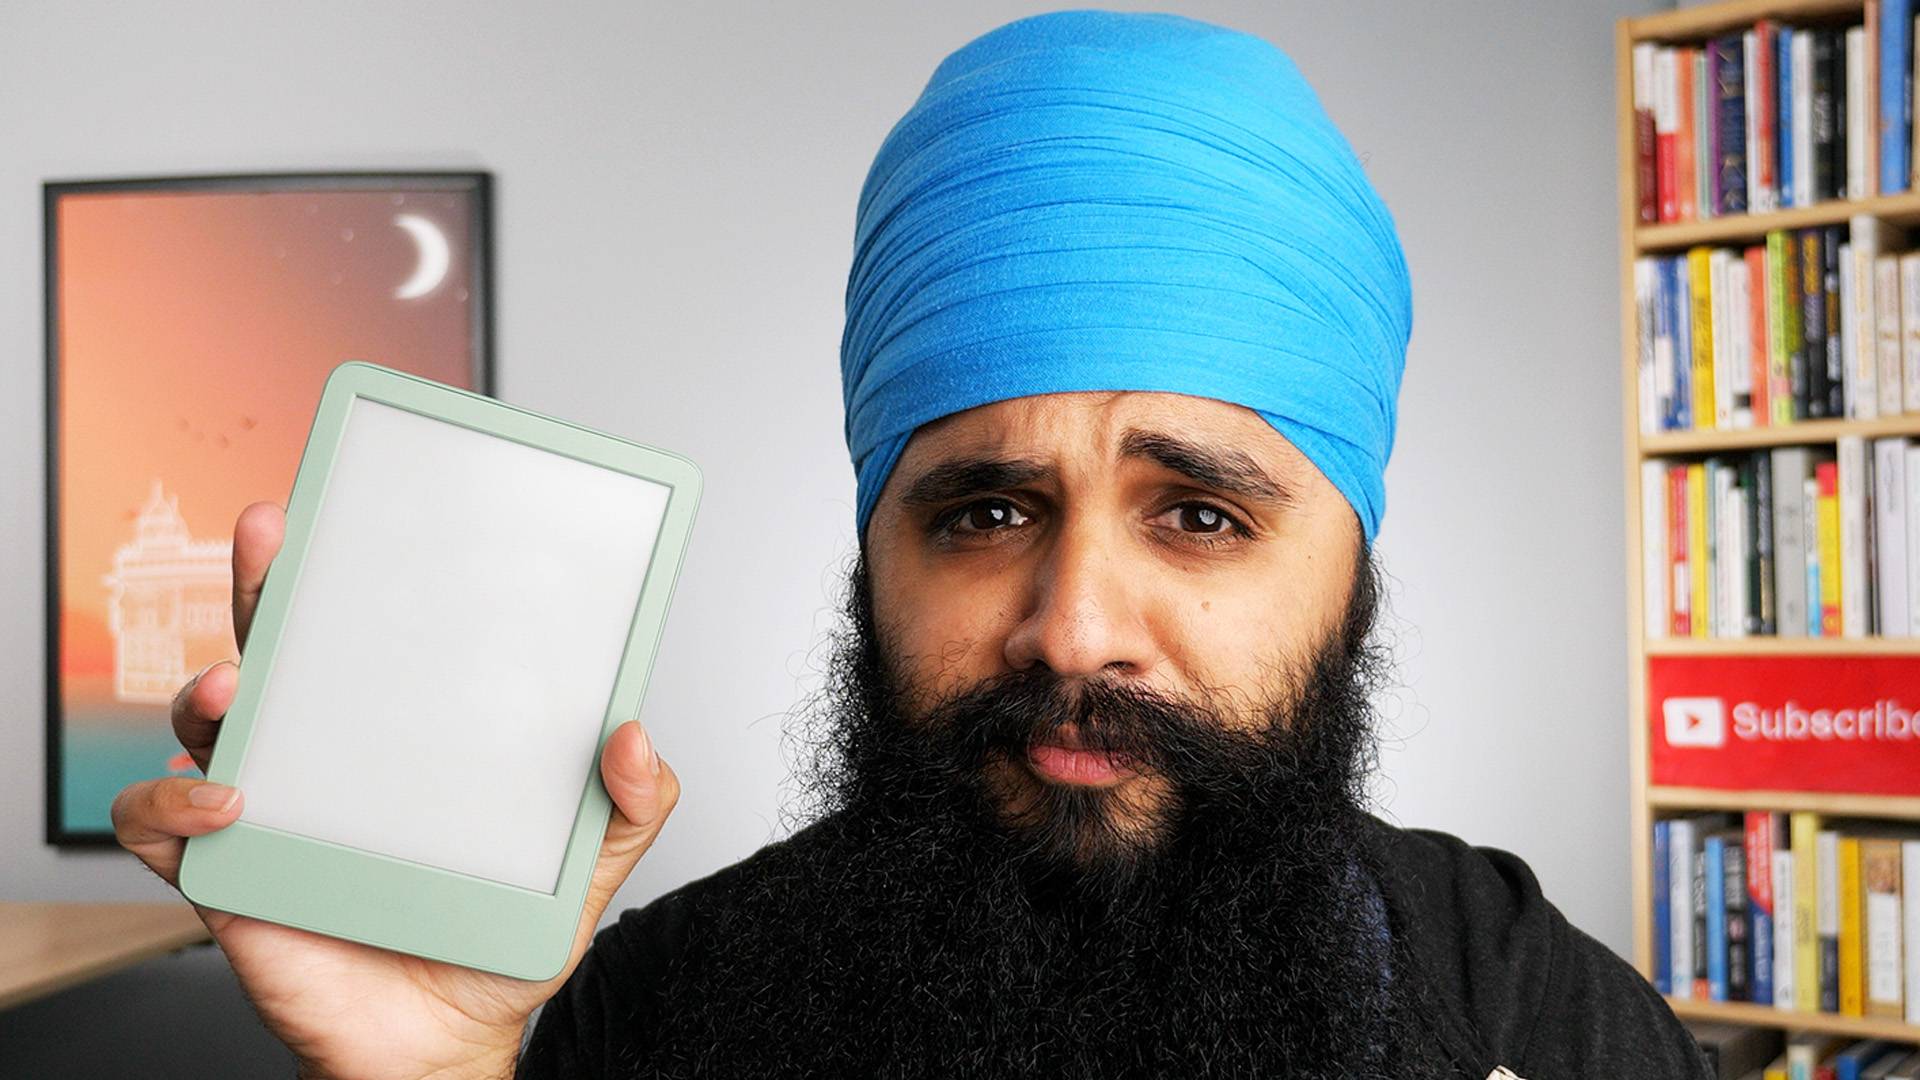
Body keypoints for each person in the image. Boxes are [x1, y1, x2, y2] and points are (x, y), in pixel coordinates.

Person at [112, 10, 1712, 1079]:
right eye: (986, 512)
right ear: (872, 548)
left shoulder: (1537, 1015)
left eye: (1201, 516)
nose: (1073, 629)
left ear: (1352, 574)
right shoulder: (645, 1017)